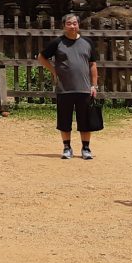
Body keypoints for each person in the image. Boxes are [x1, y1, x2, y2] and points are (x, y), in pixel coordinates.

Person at [40, 12, 99, 159]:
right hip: (64, 89)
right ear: (64, 26)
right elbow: (41, 57)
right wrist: (54, 70)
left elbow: (92, 65)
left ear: (78, 25)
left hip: (84, 88)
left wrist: (94, 85)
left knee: (85, 120)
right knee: (64, 120)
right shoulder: (57, 42)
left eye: (74, 23)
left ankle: (86, 148)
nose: (72, 26)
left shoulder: (87, 42)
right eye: (69, 23)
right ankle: (67, 147)